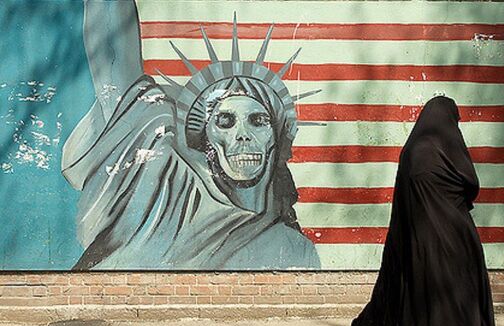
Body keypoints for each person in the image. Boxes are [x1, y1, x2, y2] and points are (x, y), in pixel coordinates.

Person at [61, 1, 320, 270]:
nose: (242, 135)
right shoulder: (164, 190)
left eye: (258, 121)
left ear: (276, 138)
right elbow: (115, 71)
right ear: (204, 138)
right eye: (225, 121)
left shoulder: (293, 248)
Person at [350, 96, 496, 326]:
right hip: (459, 241)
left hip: (418, 242)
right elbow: (471, 184)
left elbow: (402, 201)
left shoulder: (411, 152)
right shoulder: (449, 150)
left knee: (421, 299)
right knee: (459, 300)